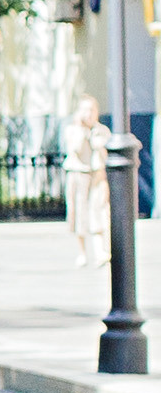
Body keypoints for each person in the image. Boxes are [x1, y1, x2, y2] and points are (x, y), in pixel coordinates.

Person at [65, 94, 110, 266]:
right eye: (84, 110)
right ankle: (82, 252)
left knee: (98, 211)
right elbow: (75, 148)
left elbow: (106, 154)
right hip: (79, 174)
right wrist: (81, 131)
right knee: (79, 213)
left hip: (97, 176)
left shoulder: (102, 131)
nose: (88, 114)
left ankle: (100, 252)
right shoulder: (72, 130)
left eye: (91, 110)